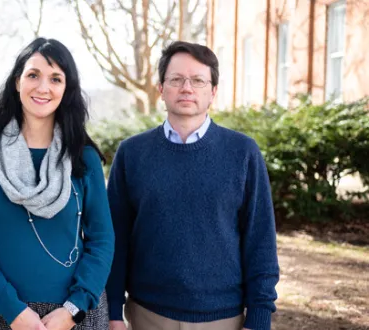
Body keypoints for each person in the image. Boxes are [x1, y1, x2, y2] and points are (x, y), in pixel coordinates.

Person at [106, 41, 280, 330]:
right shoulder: (132, 153)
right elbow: (115, 238)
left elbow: (260, 240)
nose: (187, 88)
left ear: (212, 91)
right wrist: (113, 310)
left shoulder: (243, 153)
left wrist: (259, 316)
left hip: (224, 318)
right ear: (161, 89)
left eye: (198, 80)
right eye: (176, 79)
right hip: (148, 315)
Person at [0, 37, 115, 330]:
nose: (43, 87)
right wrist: (15, 312)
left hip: (74, 316)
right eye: (33, 75)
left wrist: (72, 310)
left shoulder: (84, 158)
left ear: (66, 90)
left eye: (56, 78)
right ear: (17, 82)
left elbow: (102, 241)